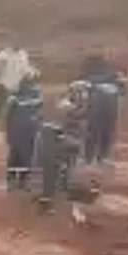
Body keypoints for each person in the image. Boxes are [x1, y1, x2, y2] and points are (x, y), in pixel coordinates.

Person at [37, 81, 90, 210]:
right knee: (54, 165)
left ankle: (60, 187)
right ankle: (49, 195)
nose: (83, 95)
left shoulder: (73, 106)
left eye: (84, 92)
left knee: (67, 160)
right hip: (53, 139)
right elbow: (71, 115)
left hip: (61, 139)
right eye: (81, 92)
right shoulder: (67, 106)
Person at [81, 56, 126, 165]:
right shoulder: (110, 79)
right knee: (99, 132)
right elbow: (122, 91)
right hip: (103, 108)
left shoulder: (94, 80)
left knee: (100, 132)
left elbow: (122, 91)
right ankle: (95, 158)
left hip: (103, 109)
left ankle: (93, 158)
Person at [4, 73, 43, 191]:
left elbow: (39, 114)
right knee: (21, 156)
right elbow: (8, 116)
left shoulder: (18, 97)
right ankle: (17, 180)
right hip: (23, 131)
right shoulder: (16, 97)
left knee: (19, 156)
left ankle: (18, 180)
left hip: (23, 131)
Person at [0, 44, 34, 140]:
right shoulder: (3, 55)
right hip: (4, 86)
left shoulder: (23, 55)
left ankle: (12, 133)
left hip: (17, 87)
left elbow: (25, 69)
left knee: (15, 109)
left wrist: (31, 73)